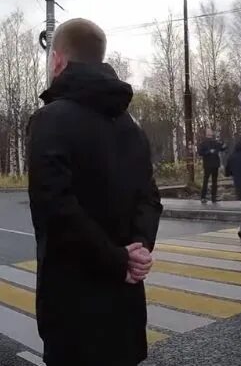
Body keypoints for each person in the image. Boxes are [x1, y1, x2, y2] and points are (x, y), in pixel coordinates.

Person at [27, 18, 163, 366]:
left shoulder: (49, 121)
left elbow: (56, 210)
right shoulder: (133, 129)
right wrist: (138, 251)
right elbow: (149, 199)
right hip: (127, 311)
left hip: (74, 318)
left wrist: (119, 260)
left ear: (58, 60)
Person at [198, 128, 226, 204]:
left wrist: (223, 145)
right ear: (206, 134)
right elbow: (200, 152)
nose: (210, 133)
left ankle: (213, 197)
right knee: (206, 181)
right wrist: (208, 152)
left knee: (214, 181)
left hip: (215, 164)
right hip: (207, 164)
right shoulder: (203, 143)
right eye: (209, 132)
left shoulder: (215, 142)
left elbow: (222, 148)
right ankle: (203, 197)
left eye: (211, 131)